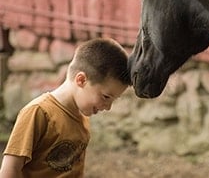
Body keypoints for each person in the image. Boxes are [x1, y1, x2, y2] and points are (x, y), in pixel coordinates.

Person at [0, 38, 130, 178]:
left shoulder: (83, 119)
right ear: (81, 80)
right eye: (105, 97)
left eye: (113, 100)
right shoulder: (38, 112)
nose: (108, 107)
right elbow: (10, 170)